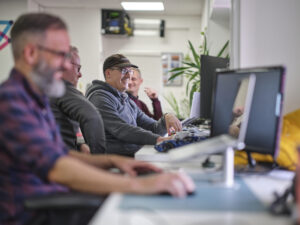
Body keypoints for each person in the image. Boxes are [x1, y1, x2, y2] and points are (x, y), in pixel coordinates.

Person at [0, 13, 195, 225]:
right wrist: (141, 185)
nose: (67, 67)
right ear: (30, 54)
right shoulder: (11, 101)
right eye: (60, 55)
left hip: (55, 198)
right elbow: (58, 168)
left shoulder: (35, 99)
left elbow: (63, 155)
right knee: (142, 208)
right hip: (34, 213)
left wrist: (112, 161)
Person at [86, 54, 182, 156]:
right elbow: (121, 130)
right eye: (123, 71)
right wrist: (158, 139)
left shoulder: (128, 101)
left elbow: (154, 128)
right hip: (114, 161)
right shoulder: (99, 98)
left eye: (129, 71)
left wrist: (167, 117)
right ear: (108, 73)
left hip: (133, 155)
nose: (128, 75)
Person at [50, 46, 106, 154]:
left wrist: (80, 144)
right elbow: (92, 117)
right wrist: (99, 159)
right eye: (78, 68)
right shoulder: (62, 89)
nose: (80, 74)